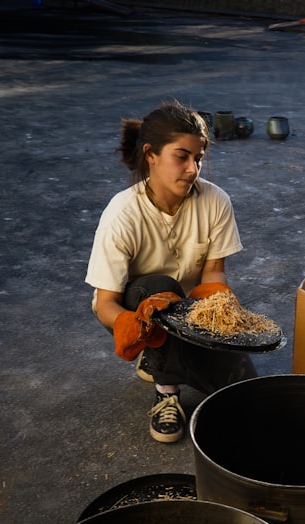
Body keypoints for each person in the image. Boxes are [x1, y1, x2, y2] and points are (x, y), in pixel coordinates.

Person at [85, 100, 256, 444]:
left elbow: (213, 275)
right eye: (182, 156)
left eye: (199, 158)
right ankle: (166, 392)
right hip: (139, 306)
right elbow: (106, 303)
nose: (193, 169)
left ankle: (160, 358)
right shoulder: (122, 213)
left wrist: (220, 303)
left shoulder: (216, 201)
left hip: (191, 312)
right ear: (150, 154)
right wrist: (129, 325)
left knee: (246, 392)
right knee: (159, 287)